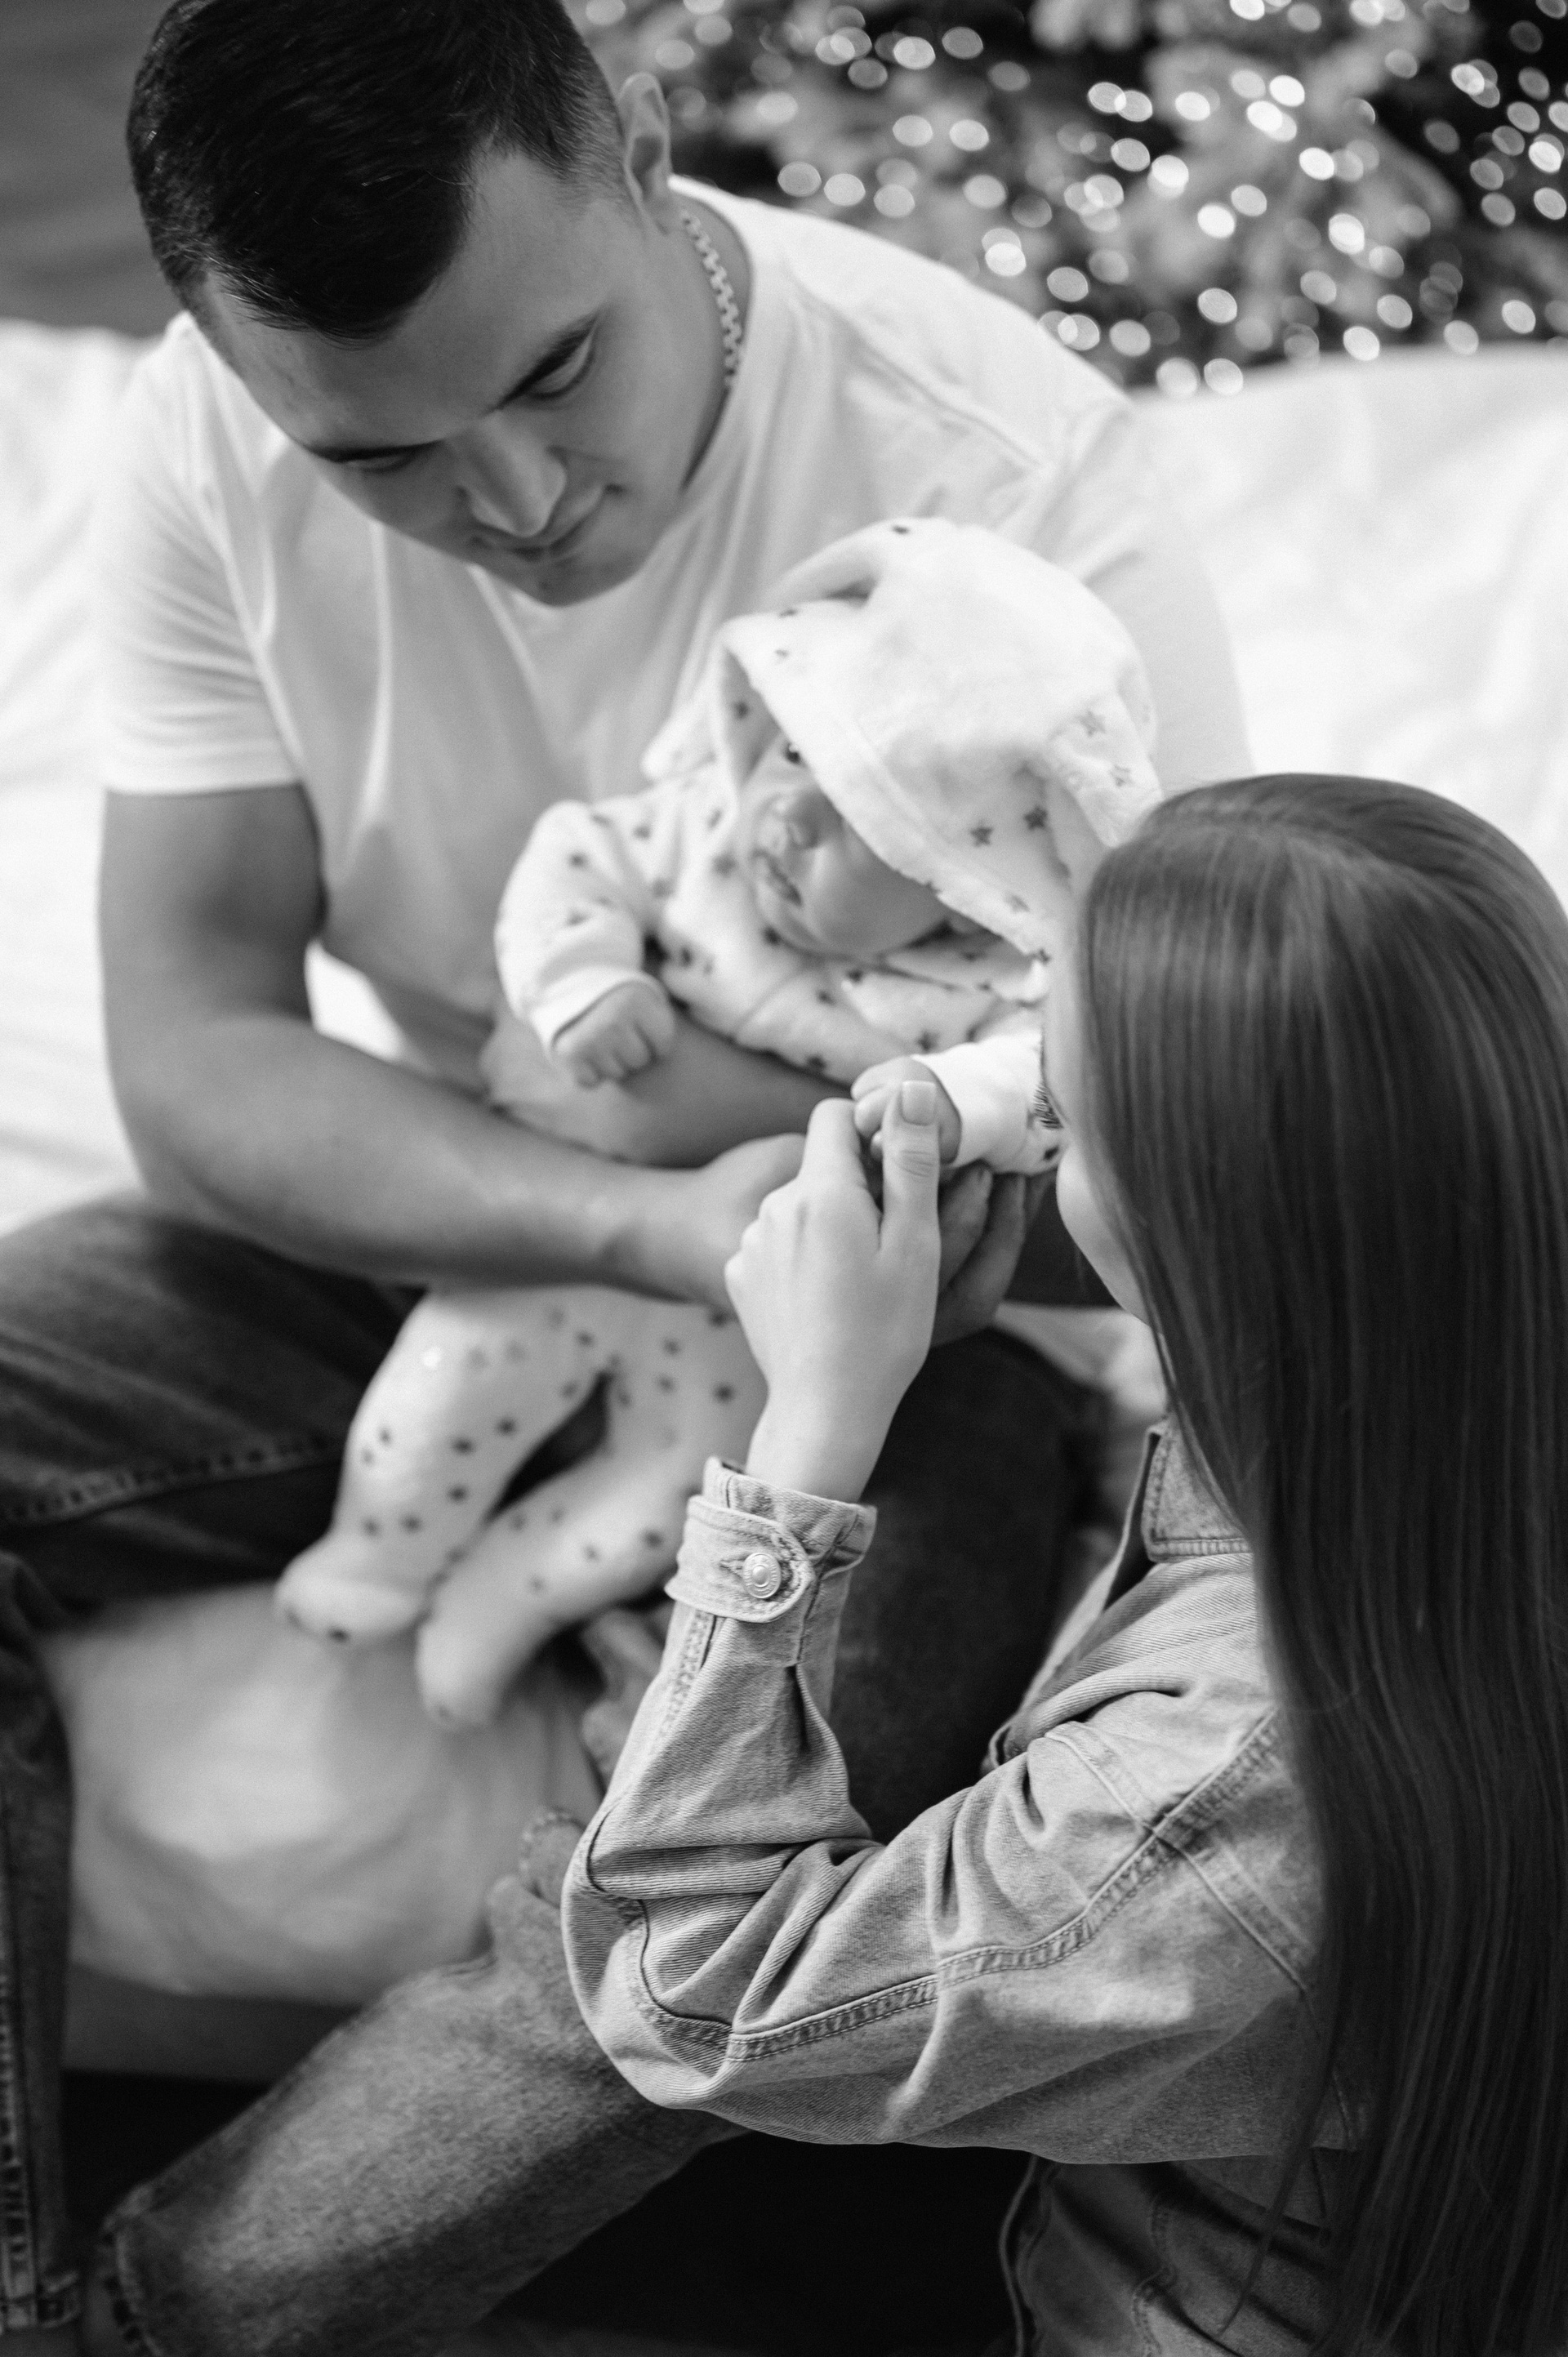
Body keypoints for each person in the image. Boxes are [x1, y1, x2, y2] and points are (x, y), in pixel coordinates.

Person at [0, 0, 1247, 2347]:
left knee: (760, 1828)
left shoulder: (1006, 491)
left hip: (913, 1333)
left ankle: (138, 2334)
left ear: (651, 151)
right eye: (384, 458)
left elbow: (1143, 1150)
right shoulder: (205, 442)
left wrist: (748, 1188)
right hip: (458, 1207)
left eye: (558, 370)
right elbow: (199, 1052)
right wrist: (639, 1208)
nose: (512, 501)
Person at [563, 773, 1568, 2356]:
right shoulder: (1437, 1405)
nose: (1022, 1109)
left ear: (1194, 1222)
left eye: (1069, 1115)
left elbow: (695, 1990)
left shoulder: (1222, 1798)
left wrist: (808, 1437)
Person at [276, 519, 1160, 1725]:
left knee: (663, 1500)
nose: (787, 817)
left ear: (964, 888)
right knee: (440, 1394)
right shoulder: (699, 836)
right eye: (790, 753)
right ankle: (378, 1556)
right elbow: (575, 857)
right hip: (568, 1232)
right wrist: (585, 981)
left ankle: (507, 1598)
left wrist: (954, 1105)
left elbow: (1041, 1087)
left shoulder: (990, 987)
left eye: (859, 820)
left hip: (755, 1326)